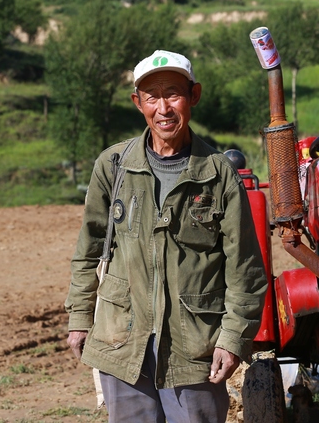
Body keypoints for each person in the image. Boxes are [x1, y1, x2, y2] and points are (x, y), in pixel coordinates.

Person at [65, 50, 268, 423]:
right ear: (137, 102)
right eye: (152, 97)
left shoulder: (218, 174)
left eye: (173, 94)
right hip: (122, 339)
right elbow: (89, 248)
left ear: (194, 96)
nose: (163, 108)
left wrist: (232, 339)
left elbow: (246, 270)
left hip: (193, 348)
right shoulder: (113, 166)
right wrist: (80, 316)